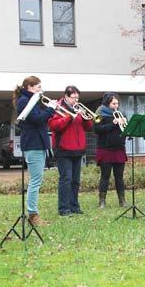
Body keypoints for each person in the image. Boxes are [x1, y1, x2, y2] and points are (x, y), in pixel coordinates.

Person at [14, 76, 56, 226]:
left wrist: (50, 108)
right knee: (35, 181)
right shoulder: (25, 101)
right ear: (30, 87)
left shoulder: (33, 100)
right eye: (38, 87)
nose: (41, 89)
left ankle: (33, 213)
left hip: (38, 142)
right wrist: (51, 108)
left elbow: (41, 119)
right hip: (33, 143)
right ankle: (33, 214)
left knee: (37, 180)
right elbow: (38, 119)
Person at [47, 86, 93, 216]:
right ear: (66, 96)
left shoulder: (78, 108)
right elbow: (54, 126)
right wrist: (69, 116)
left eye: (77, 97)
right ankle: (63, 208)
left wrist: (85, 117)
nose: (76, 100)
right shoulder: (57, 107)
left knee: (76, 180)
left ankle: (74, 206)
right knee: (66, 179)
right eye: (74, 98)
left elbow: (88, 127)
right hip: (63, 149)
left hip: (78, 149)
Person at [94, 92, 127, 208]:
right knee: (105, 176)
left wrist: (124, 124)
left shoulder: (121, 114)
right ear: (107, 103)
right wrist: (113, 124)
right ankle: (102, 202)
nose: (116, 106)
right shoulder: (99, 113)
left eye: (117, 103)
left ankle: (122, 200)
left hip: (119, 148)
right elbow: (97, 129)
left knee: (119, 177)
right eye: (113, 103)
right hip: (105, 149)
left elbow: (125, 130)